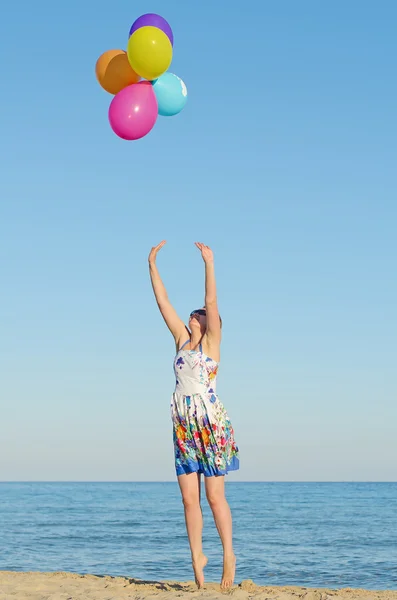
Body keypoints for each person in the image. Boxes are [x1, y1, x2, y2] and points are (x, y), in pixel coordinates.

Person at [148, 240, 239, 590]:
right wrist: (152, 264)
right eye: (196, 311)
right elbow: (162, 302)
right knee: (189, 498)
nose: (196, 311)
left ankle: (228, 554)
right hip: (184, 425)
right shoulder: (181, 341)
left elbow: (212, 301)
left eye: (201, 312)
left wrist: (209, 263)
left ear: (210, 321)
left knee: (215, 497)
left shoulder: (211, 344)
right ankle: (197, 556)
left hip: (209, 424)